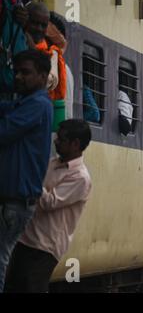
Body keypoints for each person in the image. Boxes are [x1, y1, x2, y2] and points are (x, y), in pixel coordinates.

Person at [5, 119, 92, 293]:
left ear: (75, 144)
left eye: (61, 139)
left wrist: (33, 175)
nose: (55, 141)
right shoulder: (53, 163)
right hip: (26, 238)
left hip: (45, 247)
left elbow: (49, 202)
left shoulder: (81, 178)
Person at [0, 50, 53, 292]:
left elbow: (5, 130)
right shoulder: (27, 103)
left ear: (43, 77)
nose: (19, 77)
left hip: (15, 202)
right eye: (17, 71)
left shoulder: (38, 105)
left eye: (26, 72)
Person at [25, 2, 66, 102]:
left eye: (43, 25)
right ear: (25, 21)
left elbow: (48, 81)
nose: (39, 28)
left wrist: (31, 47)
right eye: (34, 23)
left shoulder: (52, 52)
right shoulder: (16, 40)